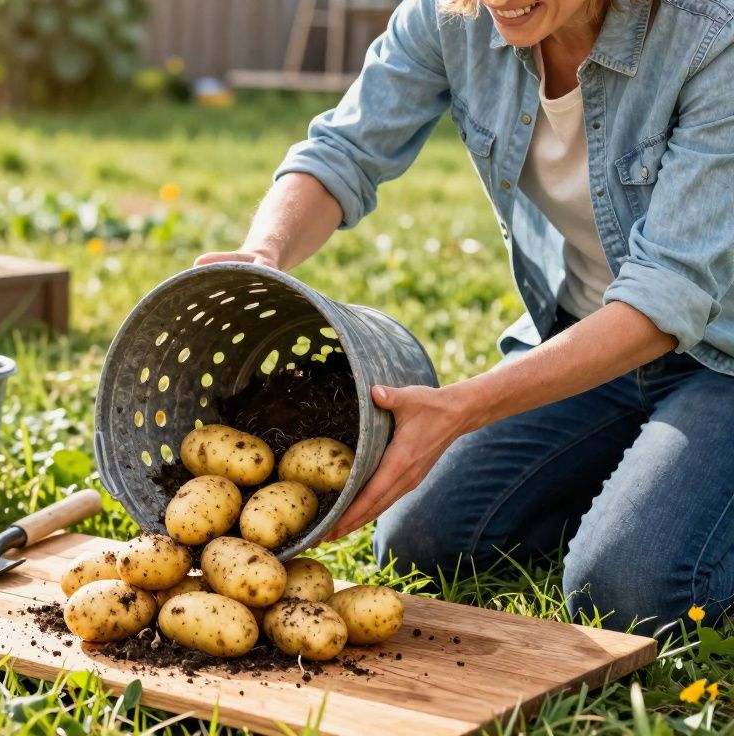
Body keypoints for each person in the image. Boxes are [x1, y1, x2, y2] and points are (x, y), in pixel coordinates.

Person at [195, 0, 734, 634]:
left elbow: (667, 292)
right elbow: (344, 149)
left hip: (717, 360)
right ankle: (656, 476)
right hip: (585, 342)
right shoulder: (451, 15)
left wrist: (464, 406)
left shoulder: (711, 39)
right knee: (418, 539)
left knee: (629, 592)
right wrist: (264, 253)